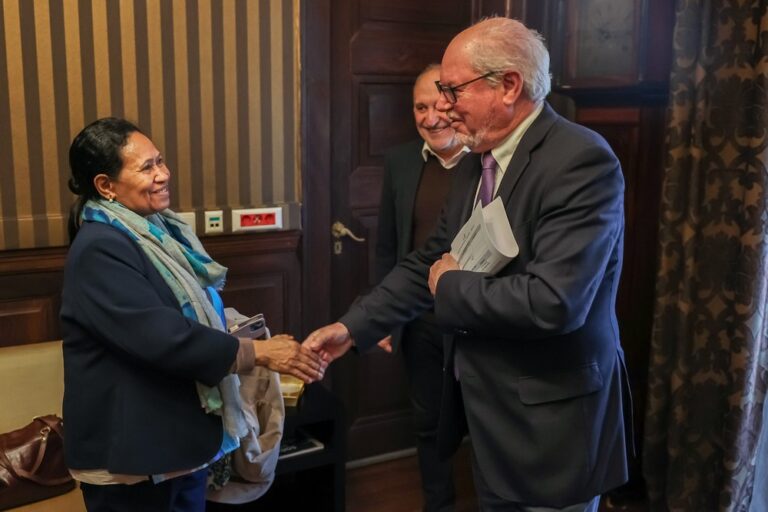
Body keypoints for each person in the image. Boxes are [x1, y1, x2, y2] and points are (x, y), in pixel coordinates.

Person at [305, 17, 630, 512]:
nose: (445, 108)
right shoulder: (477, 160)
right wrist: (352, 328)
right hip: (491, 411)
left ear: (508, 86)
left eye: (452, 90)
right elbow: (426, 261)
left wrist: (450, 285)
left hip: (551, 424)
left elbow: (555, 303)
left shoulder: (580, 161)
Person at [60, 117, 326, 512]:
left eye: (160, 161)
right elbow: (164, 337)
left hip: (171, 447)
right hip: (133, 458)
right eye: (147, 167)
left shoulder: (156, 232)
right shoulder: (101, 248)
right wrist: (258, 353)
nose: (163, 175)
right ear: (105, 186)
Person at [375, 63, 469, 512]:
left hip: (478, 318)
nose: (430, 118)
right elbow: (388, 247)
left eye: (441, 105)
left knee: (482, 421)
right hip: (419, 318)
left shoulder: (488, 163)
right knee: (428, 420)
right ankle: (440, 504)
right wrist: (383, 317)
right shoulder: (399, 162)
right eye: (420, 106)